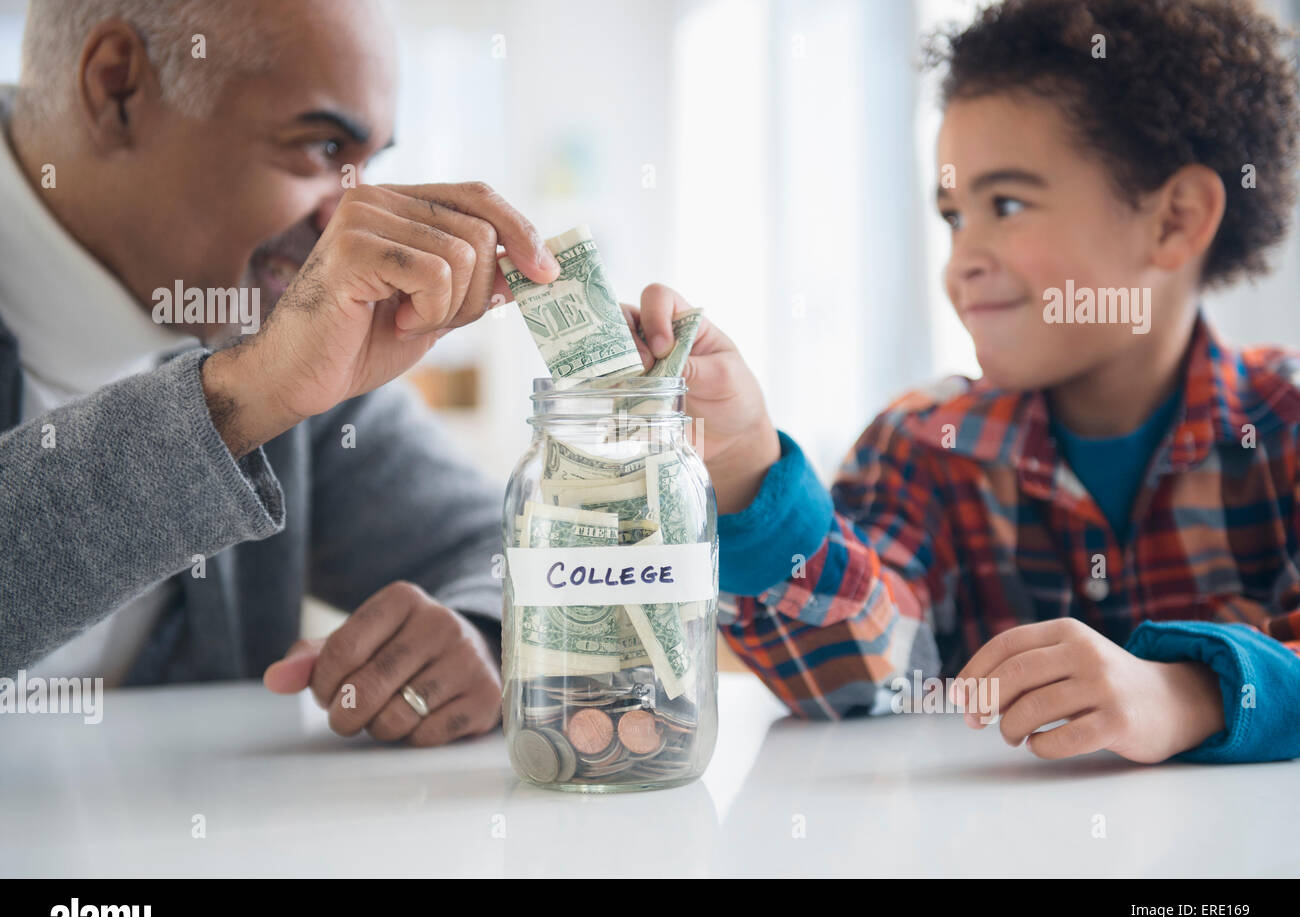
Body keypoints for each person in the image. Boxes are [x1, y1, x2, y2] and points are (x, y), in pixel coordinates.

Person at [630, 0, 1300, 764]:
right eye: (953, 216)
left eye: (1007, 204)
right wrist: (747, 463)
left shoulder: (1286, 428)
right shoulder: (921, 445)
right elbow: (857, 676)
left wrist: (1193, 692)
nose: (962, 262)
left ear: (1176, 220)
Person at [0, 0, 560, 746]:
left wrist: (481, 634)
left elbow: (517, 548)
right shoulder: (266, 360)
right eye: (321, 145)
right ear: (117, 90)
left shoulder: (266, 326)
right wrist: (243, 398)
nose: (348, 219)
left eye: (371, 165)